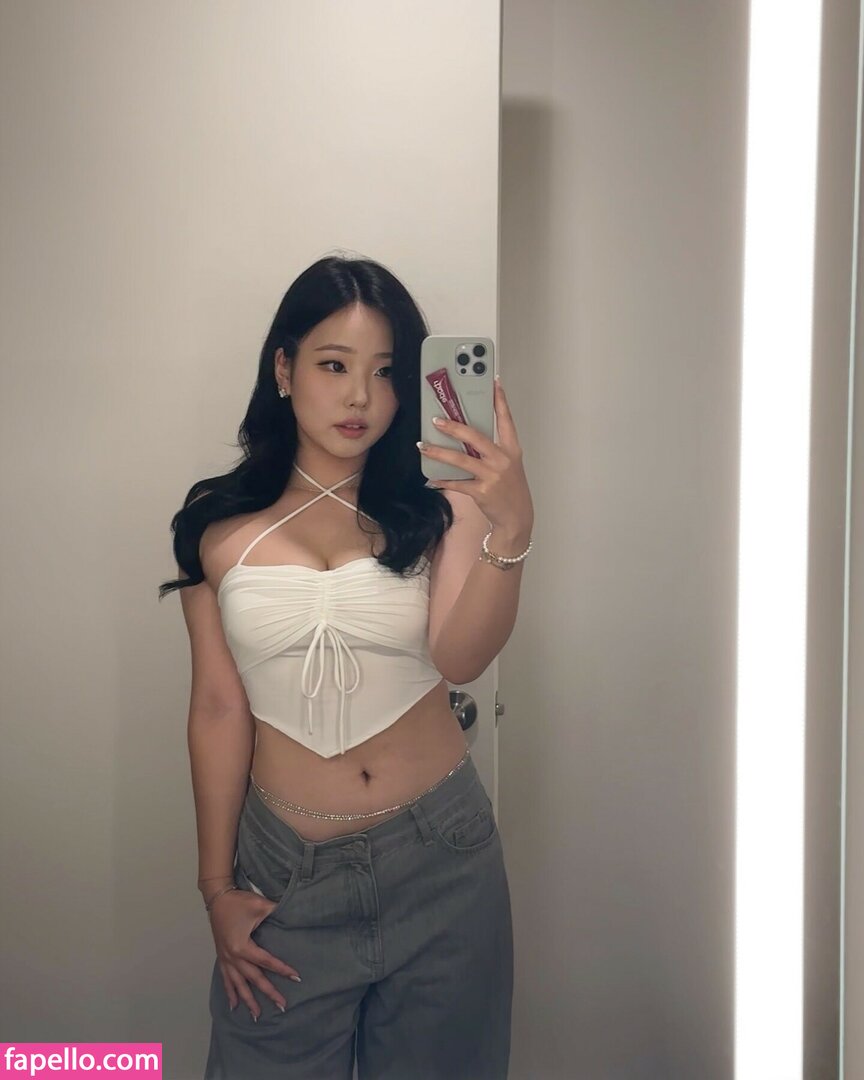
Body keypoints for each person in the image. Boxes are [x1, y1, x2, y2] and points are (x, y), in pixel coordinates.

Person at [159, 255, 534, 1079]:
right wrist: (216, 886)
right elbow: (219, 707)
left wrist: (510, 528)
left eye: (386, 372)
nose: (361, 396)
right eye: (334, 366)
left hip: (441, 858)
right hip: (285, 873)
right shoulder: (215, 526)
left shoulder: (440, 505)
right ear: (284, 368)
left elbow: (462, 657)